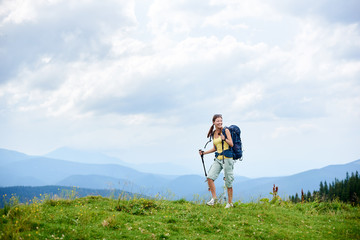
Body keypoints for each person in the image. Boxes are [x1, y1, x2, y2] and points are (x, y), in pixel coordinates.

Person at [199, 114, 234, 208]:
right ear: (213, 122)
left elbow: (231, 144)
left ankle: (230, 203)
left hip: (227, 158)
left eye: (221, 120)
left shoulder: (226, 130)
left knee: (228, 181)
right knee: (209, 177)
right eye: (218, 121)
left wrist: (225, 139)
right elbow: (215, 148)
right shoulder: (213, 133)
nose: (220, 122)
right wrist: (204, 153)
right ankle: (214, 199)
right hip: (218, 158)